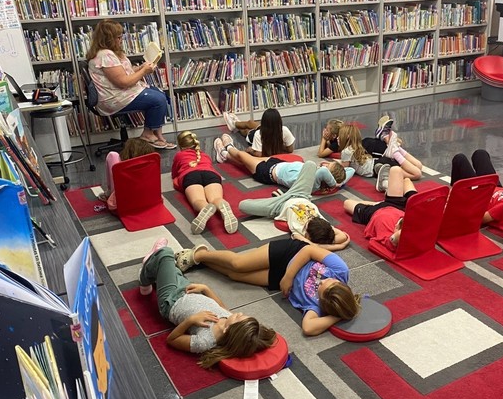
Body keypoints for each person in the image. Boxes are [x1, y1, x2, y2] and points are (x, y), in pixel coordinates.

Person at [174, 240, 360, 336]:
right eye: (332, 283)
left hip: (279, 278)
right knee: (238, 264)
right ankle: (198, 254)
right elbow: (309, 251)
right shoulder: (340, 270)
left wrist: (337, 316)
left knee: (234, 276)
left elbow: (309, 327)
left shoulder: (317, 306)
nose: (325, 282)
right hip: (292, 255)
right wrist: (288, 277)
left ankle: (201, 260)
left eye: (324, 290)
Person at [138, 238, 276, 367]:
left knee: (165, 254)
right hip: (187, 289)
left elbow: (172, 340)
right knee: (173, 270)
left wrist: (191, 320)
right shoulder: (229, 321)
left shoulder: (204, 341)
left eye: (238, 317)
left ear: (229, 330)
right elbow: (221, 306)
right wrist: (205, 289)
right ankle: (155, 267)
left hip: (170, 300)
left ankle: (144, 279)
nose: (238, 313)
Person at [86, 19, 175, 149]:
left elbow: (123, 73)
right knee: (158, 100)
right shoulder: (105, 55)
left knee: (160, 94)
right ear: (108, 39)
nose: (121, 39)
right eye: (118, 37)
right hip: (114, 98)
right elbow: (123, 82)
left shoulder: (109, 52)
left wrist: (140, 68)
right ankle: (148, 135)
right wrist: (144, 71)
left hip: (120, 93)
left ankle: (157, 134)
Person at [238, 160, 350, 250]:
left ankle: (280, 196)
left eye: (306, 228)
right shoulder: (325, 225)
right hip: (301, 194)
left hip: (280, 206)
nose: (306, 223)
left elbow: (313, 247)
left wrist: (324, 246)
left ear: (308, 236)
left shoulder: (299, 232)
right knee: (310, 164)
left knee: (243, 205)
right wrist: (339, 244)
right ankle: (282, 194)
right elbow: (343, 236)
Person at [214, 133, 352, 192]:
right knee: (244, 161)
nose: (325, 164)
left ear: (326, 177)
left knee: (243, 156)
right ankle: (225, 155)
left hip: (267, 172)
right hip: (279, 164)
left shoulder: (312, 182)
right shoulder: (317, 174)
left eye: (328, 166)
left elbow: (323, 172)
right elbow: (349, 171)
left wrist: (334, 184)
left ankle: (228, 147)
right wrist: (339, 182)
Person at [171, 130, 238, 234]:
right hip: (211, 174)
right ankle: (222, 206)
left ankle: (204, 207)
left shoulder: (179, 155)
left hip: (191, 175)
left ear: (180, 145)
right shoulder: (205, 155)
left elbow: (174, 174)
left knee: (197, 200)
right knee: (216, 198)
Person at [343, 165, 417, 252]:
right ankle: (384, 187)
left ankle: (379, 199)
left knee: (347, 203)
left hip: (374, 212)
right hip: (396, 206)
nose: (396, 226)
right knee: (397, 171)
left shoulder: (387, 234)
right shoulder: (407, 219)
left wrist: (400, 232)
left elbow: (394, 240)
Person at [337, 123, 423, 186]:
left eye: (339, 136)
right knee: (418, 166)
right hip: (380, 162)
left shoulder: (345, 152)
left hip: (378, 168)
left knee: (417, 174)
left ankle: (394, 151)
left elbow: (345, 169)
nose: (337, 138)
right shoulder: (356, 146)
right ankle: (395, 149)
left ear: (347, 136)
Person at [450, 149, 503, 224]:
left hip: (480, 196)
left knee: (459, 159)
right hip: (494, 186)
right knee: (480, 153)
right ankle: (453, 194)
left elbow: (482, 219)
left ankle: (453, 196)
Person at [100, 137, 156, 211]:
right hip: (149, 202)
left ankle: (109, 192)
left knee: (112, 155)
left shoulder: (123, 169)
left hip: (123, 206)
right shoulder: (151, 165)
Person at [221, 107, 295, 157]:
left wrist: (250, 151)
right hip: (267, 130)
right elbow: (290, 149)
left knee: (246, 131)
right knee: (250, 123)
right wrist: (278, 146)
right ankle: (235, 123)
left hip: (254, 135)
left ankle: (235, 125)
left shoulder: (258, 134)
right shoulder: (284, 130)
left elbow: (259, 154)